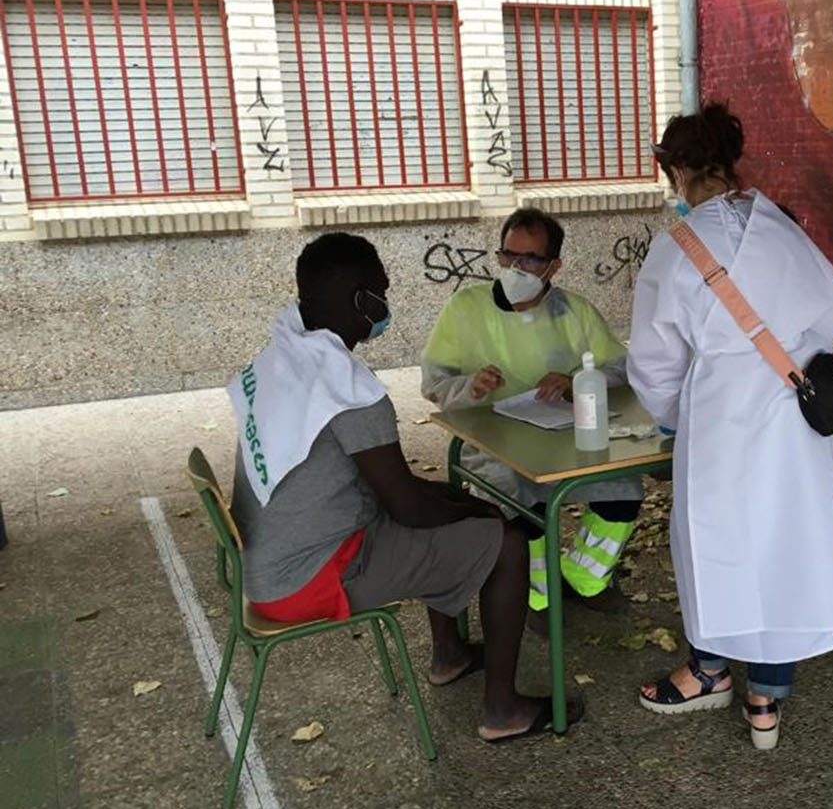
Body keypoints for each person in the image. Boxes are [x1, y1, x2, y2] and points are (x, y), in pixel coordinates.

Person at [229, 232, 580, 741]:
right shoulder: (349, 390)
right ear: (360, 301)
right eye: (381, 293)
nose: (385, 306)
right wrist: (484, 516)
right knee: (505, 544)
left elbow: (397, 490)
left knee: (451, 508)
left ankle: (450, 654)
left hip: (272, 564)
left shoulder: (285, 355)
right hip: (308, 579)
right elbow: (409, 508)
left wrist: (461, 502)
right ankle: (503, 710)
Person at [628, 103, 833, 750]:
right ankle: (766, 694)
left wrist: (677, 418)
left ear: (676, 168)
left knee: (717, 545)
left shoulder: (677, 248)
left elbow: (652, 363)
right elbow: (827, 312)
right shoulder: (781, 227)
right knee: (786, 540)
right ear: (727, 161)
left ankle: (708, 672)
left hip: (722, 418)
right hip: (793, 415)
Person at [421, 208, 642, 628]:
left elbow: (620, 368)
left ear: (554, 266)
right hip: (493, 442)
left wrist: (578, 378)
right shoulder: (465, 308)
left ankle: (584, 578)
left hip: (565, 438)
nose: (516, 267)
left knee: (624, 486)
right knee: (518, 495)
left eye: (531, 260)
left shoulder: (575, 311)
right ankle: (535, 594)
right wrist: (472, 387)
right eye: (508, 256)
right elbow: (434, 382)